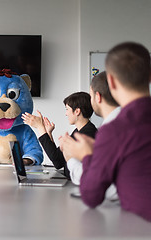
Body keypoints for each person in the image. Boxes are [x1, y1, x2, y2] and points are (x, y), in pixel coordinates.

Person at [61, 42, 151, 221]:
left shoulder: (115, 129)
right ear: (150, 76)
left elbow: (91, 195)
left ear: (110, 81)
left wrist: (87, 156)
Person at [62, 72, 120, 201]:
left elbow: (95, 184)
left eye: (91, 96)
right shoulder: (116, 124)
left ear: (97, 97)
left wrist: (71, 158)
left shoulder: (111, 130)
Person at [22, 92, 97, 179]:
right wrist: (48, 133)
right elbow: (58, 160)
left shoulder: (86, 134)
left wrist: (40, 127)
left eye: (67, 109)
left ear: (77, 111)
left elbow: (57, 161)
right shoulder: (80, 131)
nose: (66, 114)